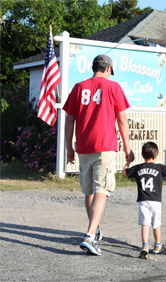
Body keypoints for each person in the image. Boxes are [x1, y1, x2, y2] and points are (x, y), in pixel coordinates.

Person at [63, 54, 135, 256]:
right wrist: (128, 148)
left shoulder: (79, 87)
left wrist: (69, 147)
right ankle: (89, 235)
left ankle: (93, 231)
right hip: (105, 145)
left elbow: (69, 120)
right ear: (109, 69)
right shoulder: (113, 87)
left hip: (84, 146)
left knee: (89, 191)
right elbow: (122, 120)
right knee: (102, 189)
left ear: (93, 67)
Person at [122, 142, 166, 259]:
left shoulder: (138, 168)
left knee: (145, 224)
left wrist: (129, 161)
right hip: (156, 202)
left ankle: (145, 245)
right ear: (156, 155)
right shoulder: (159, 168)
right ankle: (157, 245)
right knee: (156, 224)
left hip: (143, 201)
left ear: (142, 155)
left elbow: (124, 173)